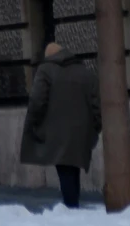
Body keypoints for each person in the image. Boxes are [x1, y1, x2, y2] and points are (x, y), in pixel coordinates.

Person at [20, 39, 100, 207]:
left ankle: (71, 207)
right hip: (81, 131)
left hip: (56, 132)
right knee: (73, 169)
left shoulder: (46, 70)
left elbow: (37, 101)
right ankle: (73, 204)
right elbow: (97, 105)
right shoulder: (85, 72)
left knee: (64, 170)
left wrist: (34, 124)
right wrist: (95, 129)